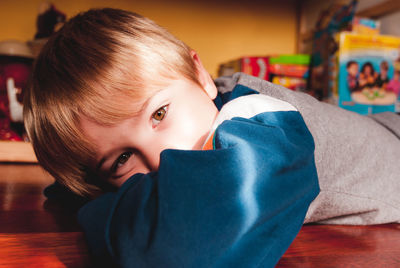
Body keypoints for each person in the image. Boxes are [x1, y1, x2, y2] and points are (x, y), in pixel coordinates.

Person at [24, 8, 400, 267]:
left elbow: (183, 253)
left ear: (200, 76)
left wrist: (98, 208)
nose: (161, 159)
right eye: (122, 159)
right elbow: (69, 189)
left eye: (159, 114)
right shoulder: (193, 103)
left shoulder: (258, 122)